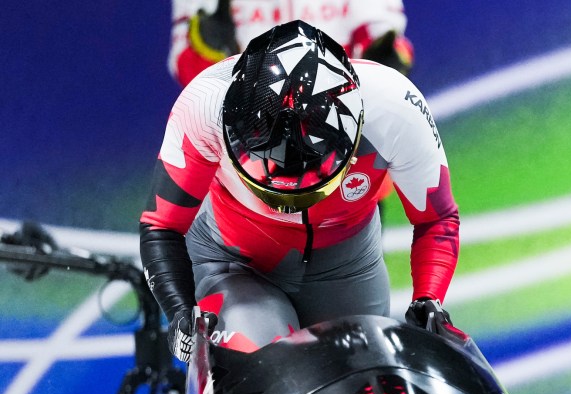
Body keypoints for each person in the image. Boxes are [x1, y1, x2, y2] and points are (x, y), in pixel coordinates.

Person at [140, 20, 459, 361]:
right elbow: (161, 226)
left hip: (346, 269)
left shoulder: (396, 107)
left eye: (310, 190)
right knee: (263, 365)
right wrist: (179, 313)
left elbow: (437, 218)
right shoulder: (203, 107)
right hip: (236, 266)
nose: (289, 205)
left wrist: (428, 298)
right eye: (273, 193)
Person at [168, 0, 415, 87]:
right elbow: (185, 70)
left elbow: (387, 40)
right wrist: (208, 50)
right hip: (246, 147)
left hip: (340, 140)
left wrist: (387, 62)